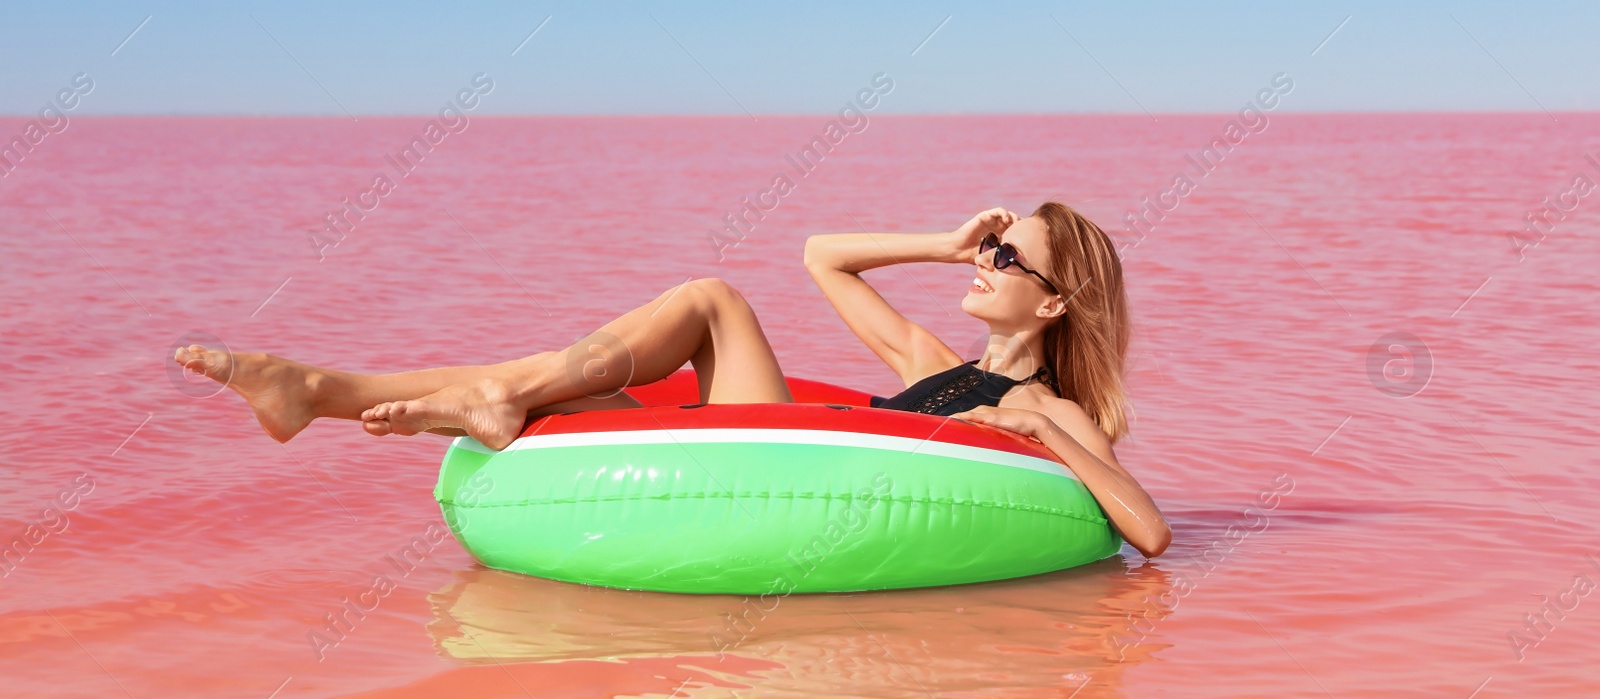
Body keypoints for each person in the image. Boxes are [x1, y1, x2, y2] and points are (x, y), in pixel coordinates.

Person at [174, 203, 1171, 557]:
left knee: (709, 298)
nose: (985, 264)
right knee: (563, 390)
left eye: (1006, 260)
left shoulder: (1038, 401)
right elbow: (822, 255)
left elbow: (1150, 529)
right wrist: (944, 241)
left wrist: (1047, 429)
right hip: (787, 437)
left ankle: (324, 387)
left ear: (1051, 305)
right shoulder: (929, 365)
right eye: (991, 248)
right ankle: (314, 386)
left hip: (802, 466)